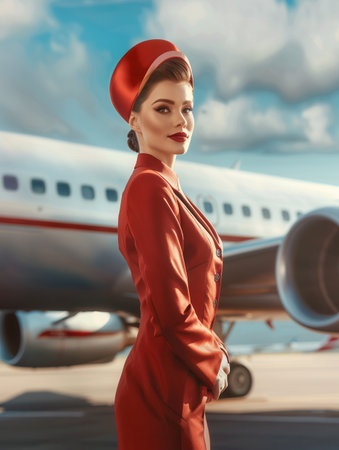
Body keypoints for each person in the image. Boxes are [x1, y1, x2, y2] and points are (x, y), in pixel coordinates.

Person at [109, 39, 230, 450]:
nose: (181, 120)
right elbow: (169, 301)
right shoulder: (148, 187)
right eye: (163, 108)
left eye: (186, 108)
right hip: (162, 390)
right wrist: (214, 358)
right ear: (135, 120)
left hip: (178, 384)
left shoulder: (165, 187)